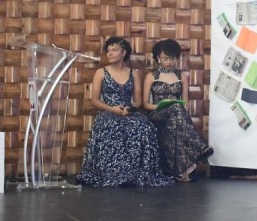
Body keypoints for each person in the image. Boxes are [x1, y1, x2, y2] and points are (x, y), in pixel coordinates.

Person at [77, 37, 174, 187]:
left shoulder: (133, 73)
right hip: (108, 112)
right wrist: (112, 109)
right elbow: (95, 100)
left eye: (114, 50)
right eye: (108, 50)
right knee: (111, 126)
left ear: (123, 53)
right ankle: (112, 173)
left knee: (144, 126)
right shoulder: (101, 72)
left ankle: (135, 173)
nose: (110, 53)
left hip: (128, 112)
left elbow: (138, 101)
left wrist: (131, 108)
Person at [143, 39, 213, 182]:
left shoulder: (182, 77)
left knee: (176, 110)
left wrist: (177, 107)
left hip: (176, 115)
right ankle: (200, 148)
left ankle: (179, 171)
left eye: (172, 58)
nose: (169, 62)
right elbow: (145, 104)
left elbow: (184, 103)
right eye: (165, 58)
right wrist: (160, 105)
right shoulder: (151, 77)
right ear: (158, 58)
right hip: (157, 113)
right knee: (175, 108)